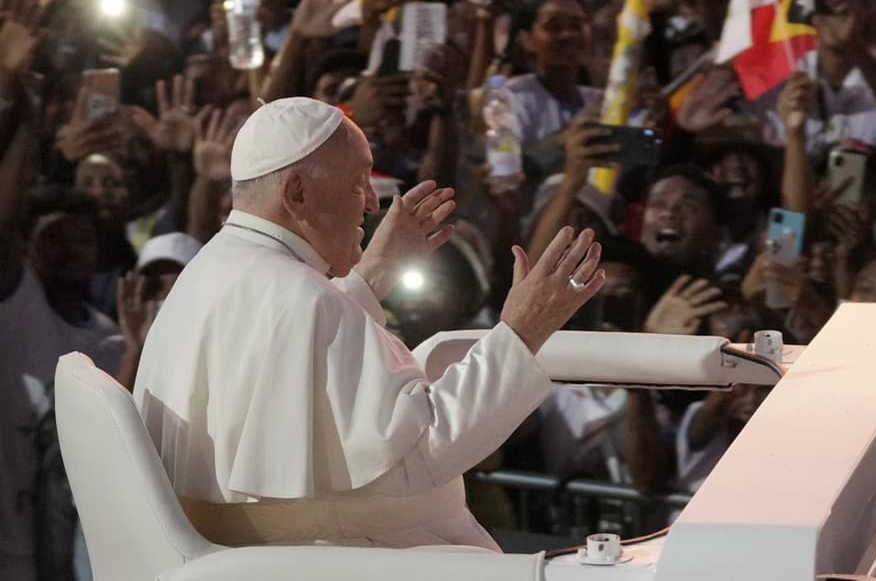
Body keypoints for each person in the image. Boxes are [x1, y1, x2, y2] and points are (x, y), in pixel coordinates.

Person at [132, 96, 606, 549]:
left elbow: (297, 354)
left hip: (251, 544)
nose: (371, 205)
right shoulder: (299, 293)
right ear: (297, 192)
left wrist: (371, 275)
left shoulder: (216, 266)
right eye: (358, 182)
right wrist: (522, 332)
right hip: (327, 551)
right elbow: (420, 452)